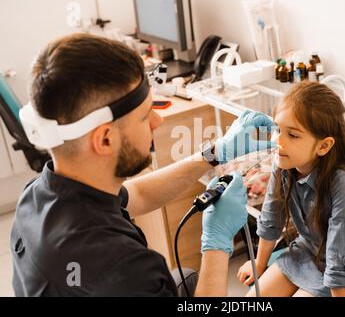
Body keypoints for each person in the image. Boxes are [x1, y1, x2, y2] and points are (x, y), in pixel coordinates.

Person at [10, 33, 274, 297]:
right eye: (145, 116)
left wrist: (215, 153)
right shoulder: (123, 269)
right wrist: (217, 244)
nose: (157, 121)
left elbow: (136, 194)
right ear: (104, 139)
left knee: (189, 279)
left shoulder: (36, 194)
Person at [237, 81, 345, 297]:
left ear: (323, 146)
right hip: (309, 249)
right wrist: (259, 262)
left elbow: (340, 258)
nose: (278, 141)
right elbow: (271, 217)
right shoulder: (283, 163)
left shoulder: (344, 184)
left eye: (292, 135)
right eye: (277, 129)